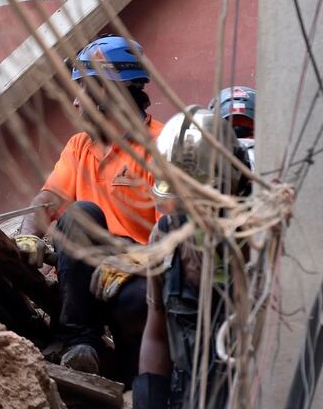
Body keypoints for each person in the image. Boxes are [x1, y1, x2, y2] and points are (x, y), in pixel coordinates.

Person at [15, 35, 163, 384]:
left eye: (82, 90)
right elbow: (46, 203)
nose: (75, 103)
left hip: (138, 279)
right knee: (81, 212)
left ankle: (128, 373)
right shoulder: (79, 145)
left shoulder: (160, 146)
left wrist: (131, 261)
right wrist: (26, 238)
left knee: (137, 317)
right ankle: (80, 345)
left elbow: (172, 236)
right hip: (85, 281)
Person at [134, 106, 248, 409]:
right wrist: (149, 395)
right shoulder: (165, 239)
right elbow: (156, 332)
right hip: (191, 392)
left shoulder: (259, 239)